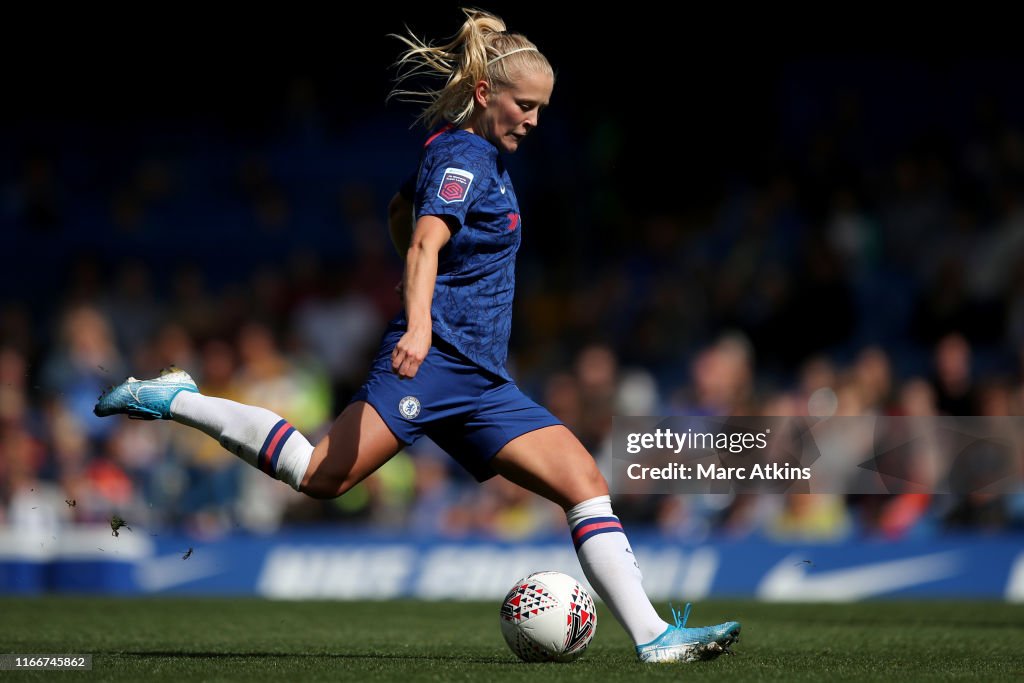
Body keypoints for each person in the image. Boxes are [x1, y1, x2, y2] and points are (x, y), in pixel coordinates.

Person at [94, 7, 740, 663]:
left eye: (543, 108)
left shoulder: (467, 155)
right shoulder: (464, 156)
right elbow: (427, 237)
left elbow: (401, 210)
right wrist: (422, 318)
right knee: (320, 475)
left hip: (482, 379)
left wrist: (422, 277)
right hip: (433, 364)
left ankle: (654, 637)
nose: (535, 120)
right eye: (526, 105)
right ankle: (174, 397)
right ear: (488, 94)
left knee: (583, 479)